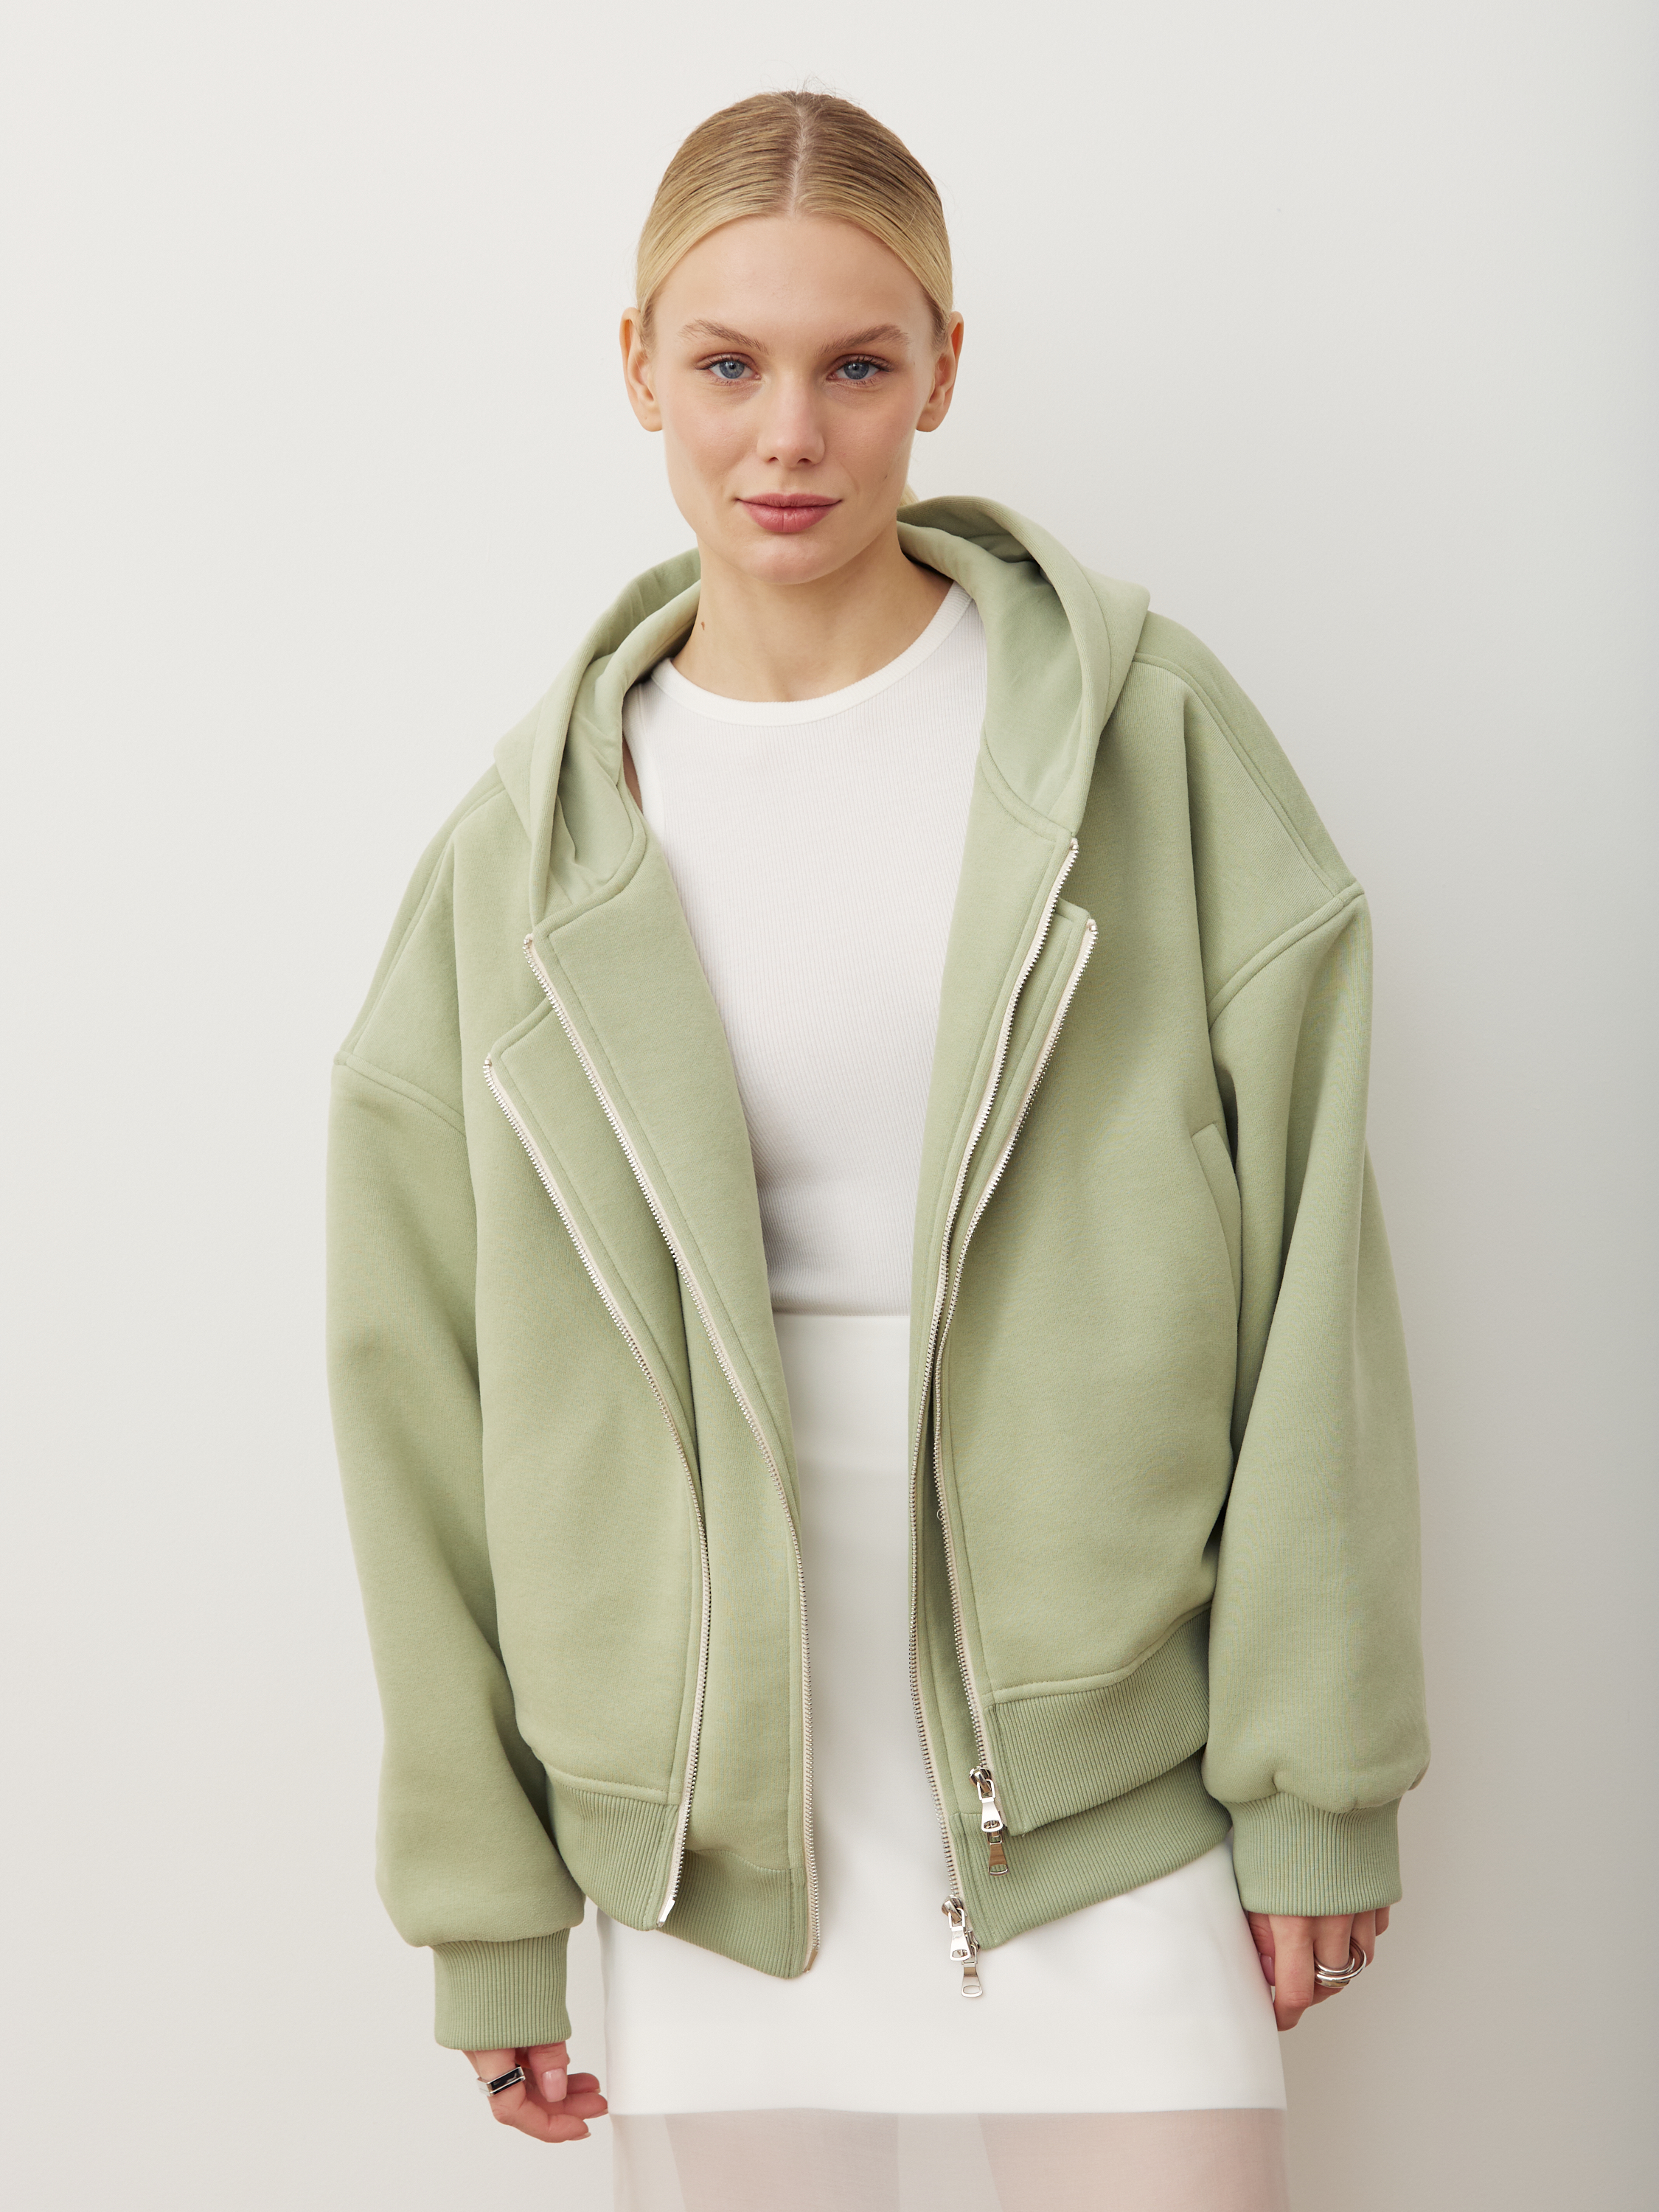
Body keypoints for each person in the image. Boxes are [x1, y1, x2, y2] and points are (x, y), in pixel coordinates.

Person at [327, 89, 1429, 2212]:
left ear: (940, 365)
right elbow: (416, 1410)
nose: (788, 436)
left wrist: (1316, 1779)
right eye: (726, 364)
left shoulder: (1143, 744)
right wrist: (486, 1903)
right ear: (636, 366)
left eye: (853, 363)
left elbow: (1313, 1280)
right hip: (712, 1818)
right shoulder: (522, 861)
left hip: (1109, 1766)